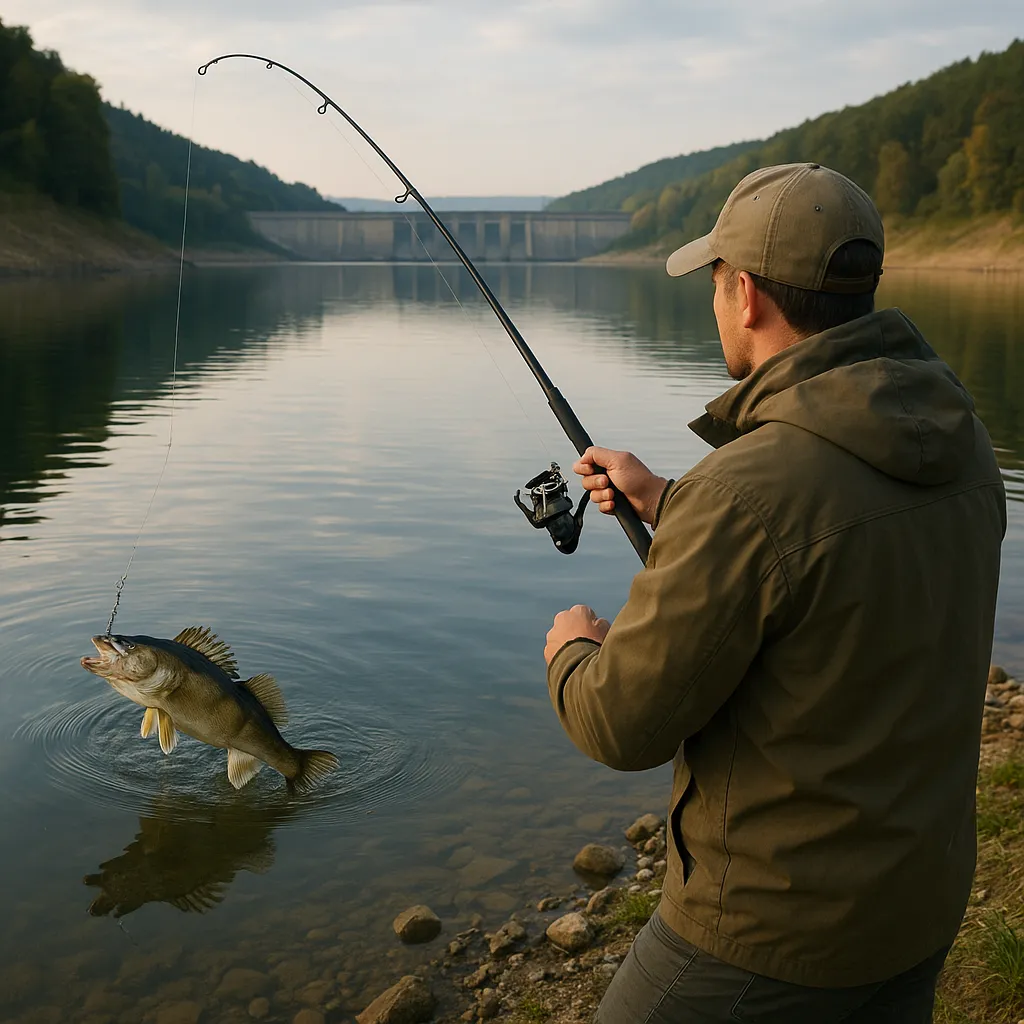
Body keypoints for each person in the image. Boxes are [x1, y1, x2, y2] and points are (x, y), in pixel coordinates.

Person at [542, 163, 1006, 1023]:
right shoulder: (966, 443)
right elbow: (838, 564)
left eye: (716, 283)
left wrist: (572, 648)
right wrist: (667, 500)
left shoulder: (746, 488)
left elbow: (620, 722)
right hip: (917, 902)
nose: (714, 301)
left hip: (766, 936)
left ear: (746, 294)